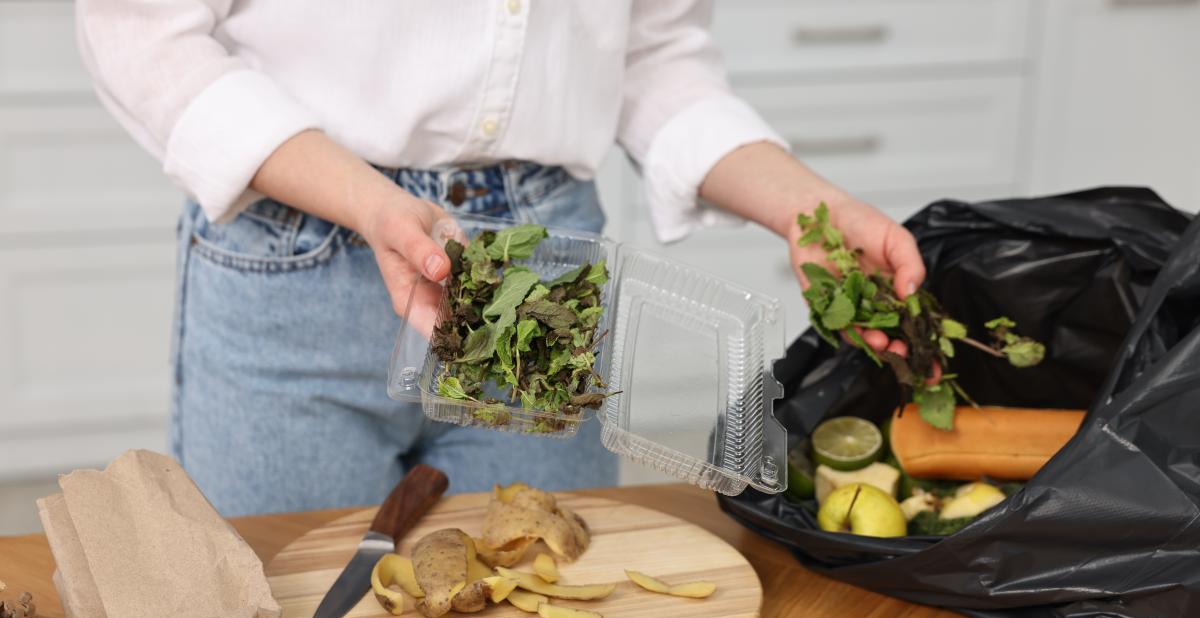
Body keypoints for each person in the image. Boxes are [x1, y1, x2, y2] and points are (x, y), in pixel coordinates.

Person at [77, 1, 926, 516]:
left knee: (534, 610)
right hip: (300, 244)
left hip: (540, 276)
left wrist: (806, 209)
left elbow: (651, 53)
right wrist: (369, 200)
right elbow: (144, 32)